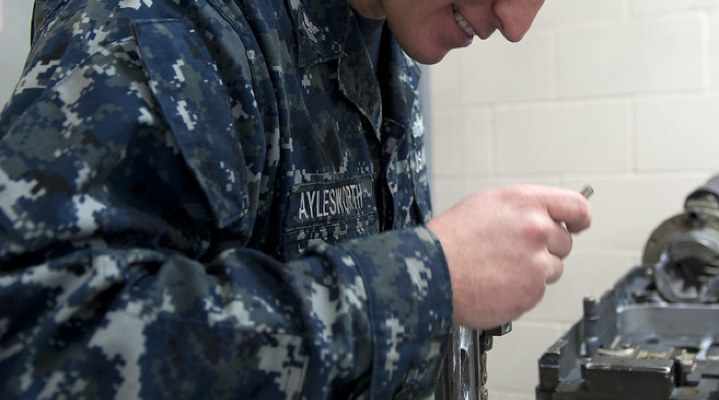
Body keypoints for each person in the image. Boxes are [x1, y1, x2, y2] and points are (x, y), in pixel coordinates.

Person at [0, 0, 591, 397]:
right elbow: (41, 341)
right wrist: (428, 281)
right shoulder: (164, 21)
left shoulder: (392, 30)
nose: (515, 23)